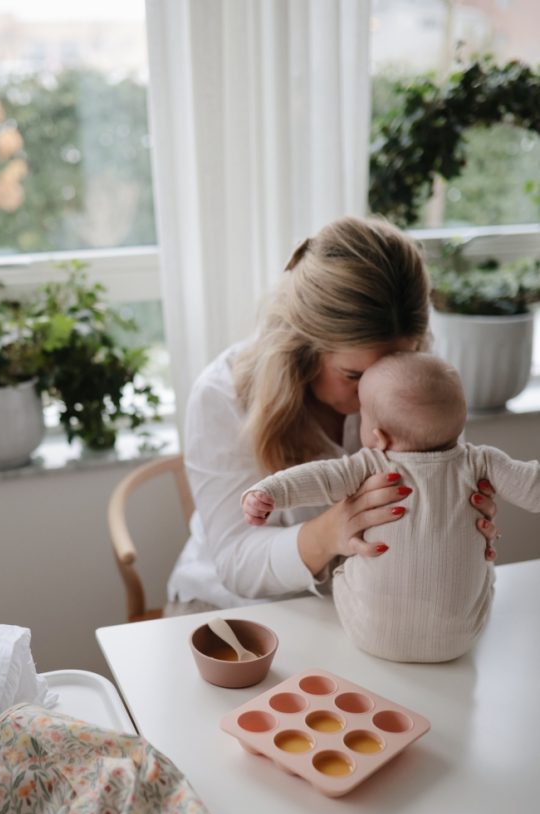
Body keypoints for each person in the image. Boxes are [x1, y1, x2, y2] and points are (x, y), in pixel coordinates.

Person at [166, 215, 498, 617]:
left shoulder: (417, 386)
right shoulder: (220, 396)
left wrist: (455, 518)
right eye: (354, 376)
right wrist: (330, 532)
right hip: (227, 611)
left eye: (395, 366)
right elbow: (238, 560)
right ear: (304, 346)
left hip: (360, 606)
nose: (370, 398)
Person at [242, 351, 540, 662]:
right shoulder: (481, 461)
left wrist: (270, 491)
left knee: (343, 569)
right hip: (461, 639)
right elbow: (533, 487)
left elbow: (320, 478)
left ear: (379, 437)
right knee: (486, 569)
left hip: (368, 634)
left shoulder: (374, 463)